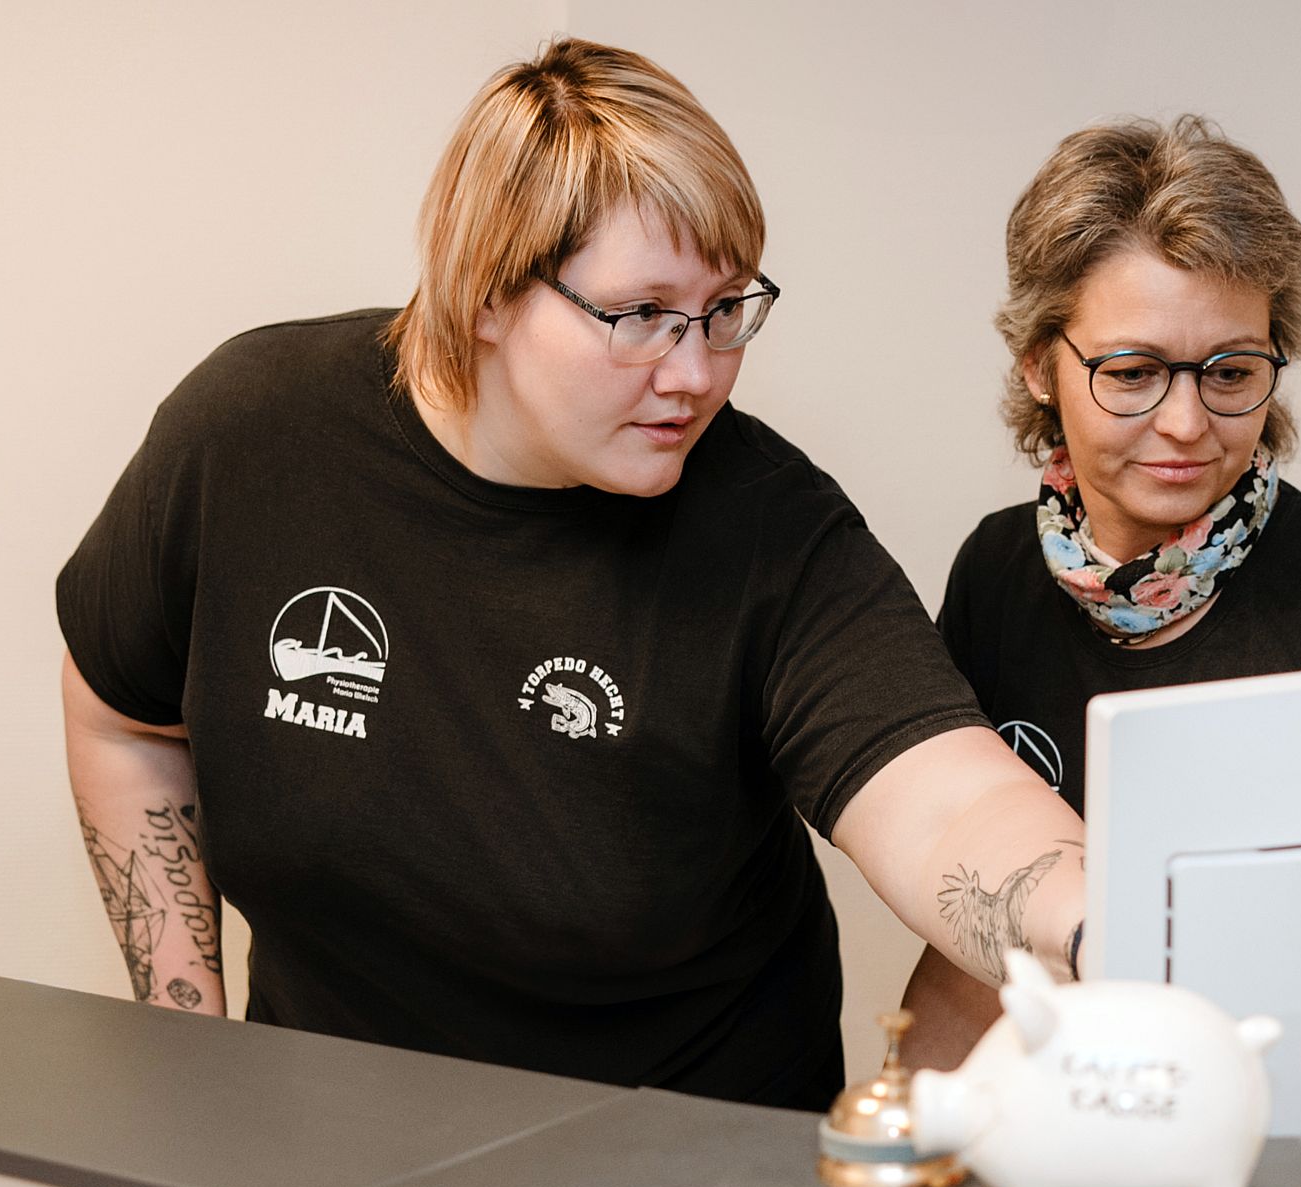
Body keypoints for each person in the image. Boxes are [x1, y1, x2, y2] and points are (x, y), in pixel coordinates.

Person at [57, 39, 1084, 1111]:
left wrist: (1103, 920)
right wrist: (187, 1042)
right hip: (334, 1144)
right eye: (640, 316)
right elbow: (125, 723)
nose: (695, 375)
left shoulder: (770, 527)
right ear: (486, 291)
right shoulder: (252, 438)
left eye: (726, 311)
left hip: (679, 1170)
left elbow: (945, 805)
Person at [900, 117, 1301, 1068]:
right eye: (1131, 373)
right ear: (1040, 366)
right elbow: (972, 923)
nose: (1185, 423)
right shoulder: (995, 570)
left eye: (1232, 372)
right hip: (1043, 1093)